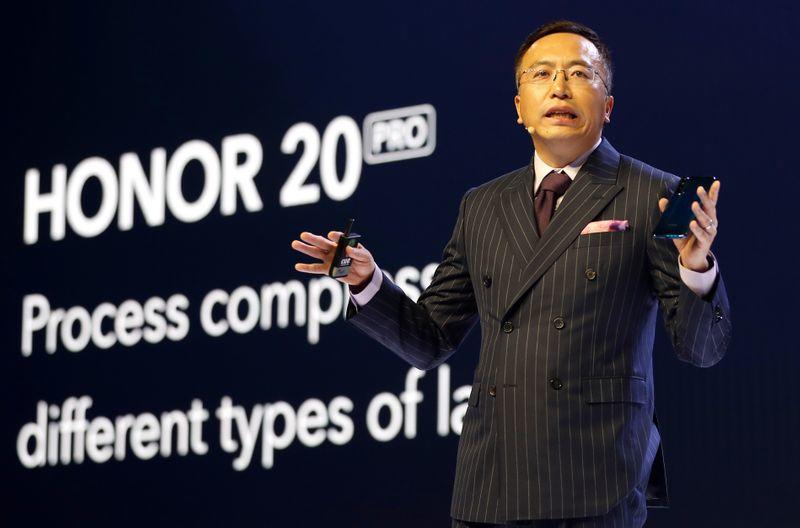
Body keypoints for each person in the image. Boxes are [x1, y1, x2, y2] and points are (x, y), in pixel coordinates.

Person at [291, 20, 730, 528]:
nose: (560, 87)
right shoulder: (482, 205)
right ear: (520, 107)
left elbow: (702, 349)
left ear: (608, 105)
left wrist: (695, 266)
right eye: (542, 74)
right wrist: (365, 281)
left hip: (596, 478)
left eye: (580, 74)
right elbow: (429, 340)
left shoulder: (660, 192)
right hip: (491, 483)